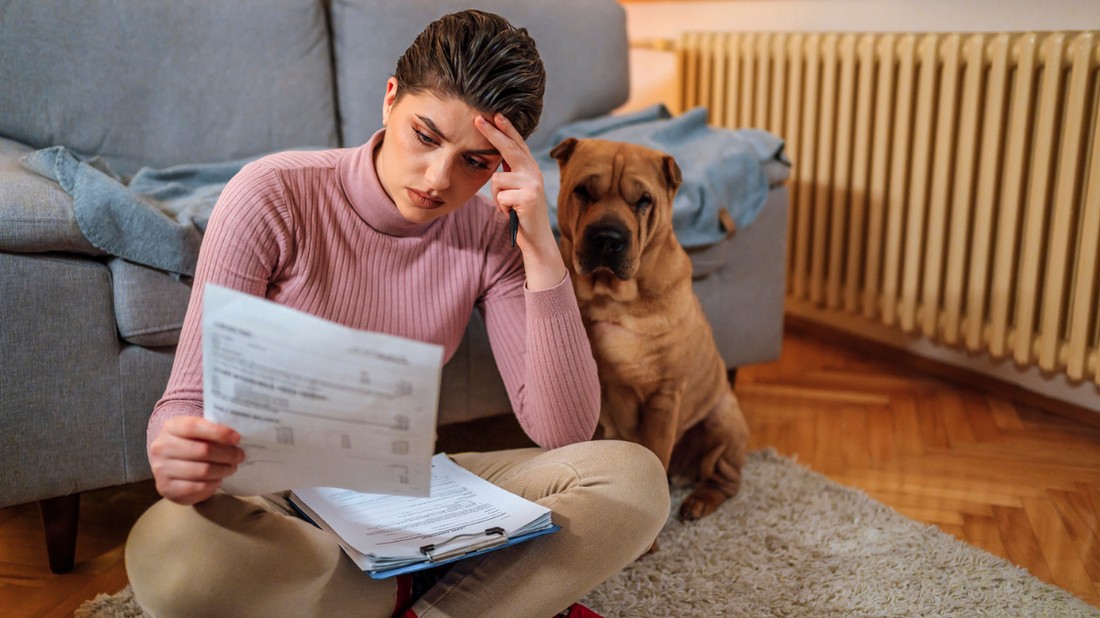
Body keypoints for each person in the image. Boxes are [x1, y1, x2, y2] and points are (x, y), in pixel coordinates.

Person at [125, 9, 670, 618]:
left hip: (418, 503)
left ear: (504, 165)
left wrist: (543, 250)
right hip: (284, 507)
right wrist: (178, 457)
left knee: (634, 480)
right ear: (390, 99)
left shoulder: (494, 232)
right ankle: (479, 594)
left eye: (476, 161)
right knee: (171, 558)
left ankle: (415, 600)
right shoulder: (270, 195)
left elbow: (563, 429)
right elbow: (184, 404)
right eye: (426, 136)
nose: (438, 180)